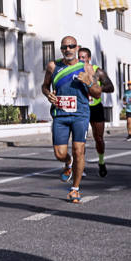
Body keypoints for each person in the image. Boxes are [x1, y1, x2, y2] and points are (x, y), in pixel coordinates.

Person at [41, 35, 102, 203]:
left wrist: (89, 83)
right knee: (59, 153)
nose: (68, 49)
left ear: (77, 48)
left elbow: (97, 93)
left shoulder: (87, 68)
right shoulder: (53, 66)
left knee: (79, 150)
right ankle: (68, 163)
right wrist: (48, 94)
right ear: (61, 49)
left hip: (80, 114)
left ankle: (75, 189)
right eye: (64, 47)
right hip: (60, 114)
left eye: (71, 46)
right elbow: (44, 86)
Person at [78, 47, 115, 177]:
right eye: (79, 57)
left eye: (83, 57)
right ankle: (80, 167)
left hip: (96, 107)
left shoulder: (97, 71)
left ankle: (101, 161)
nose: (81, 60)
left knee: (98, 138)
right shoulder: (75, 70)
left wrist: (97, 88)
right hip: (81, 107)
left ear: (89, 58)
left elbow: (111, 87)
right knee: (80, 139)